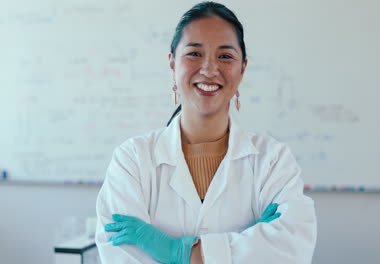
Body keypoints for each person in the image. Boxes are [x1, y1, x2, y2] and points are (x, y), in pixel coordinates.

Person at [95, 1, 317, 263]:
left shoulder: (273, 161)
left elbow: (292, 248)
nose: (210, 69)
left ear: (242, 68)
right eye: (194, 54)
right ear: (172, 63)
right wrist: (245, 247)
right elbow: (120, 256)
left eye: (225, 56)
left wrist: (178, 253)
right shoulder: (132, 159)